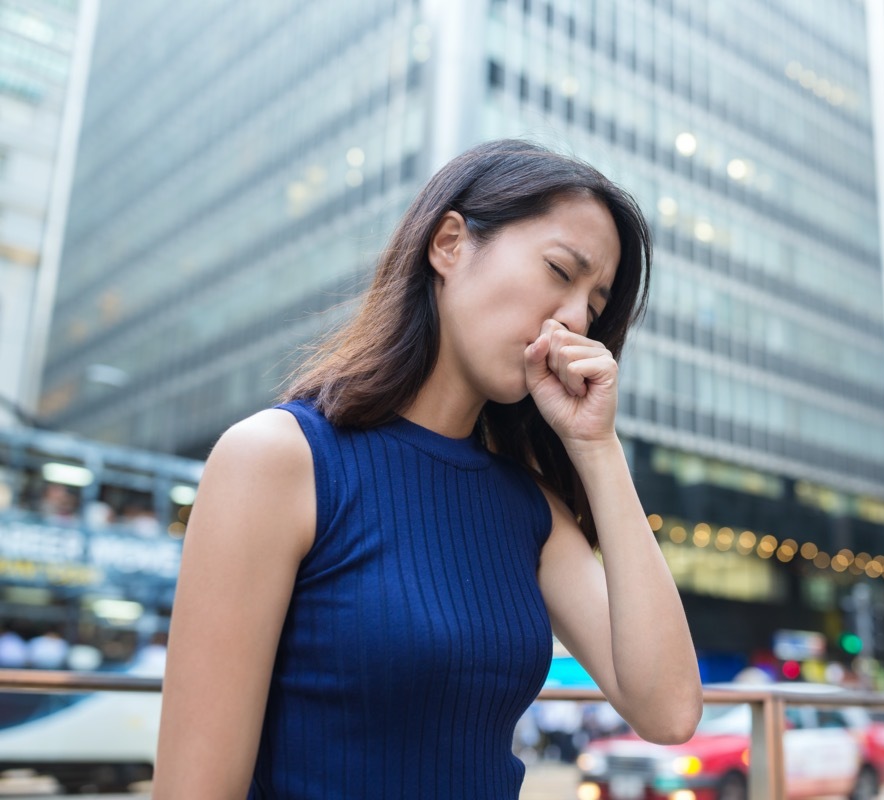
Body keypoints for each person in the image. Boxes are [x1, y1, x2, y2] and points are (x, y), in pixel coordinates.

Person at [154, 140, 703, 799]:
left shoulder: (527, 510)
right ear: (448, 244)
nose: (576, 319)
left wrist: (597, 448)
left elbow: (669, 711)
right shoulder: (279, 460)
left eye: (596, 303)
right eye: (561, 271)